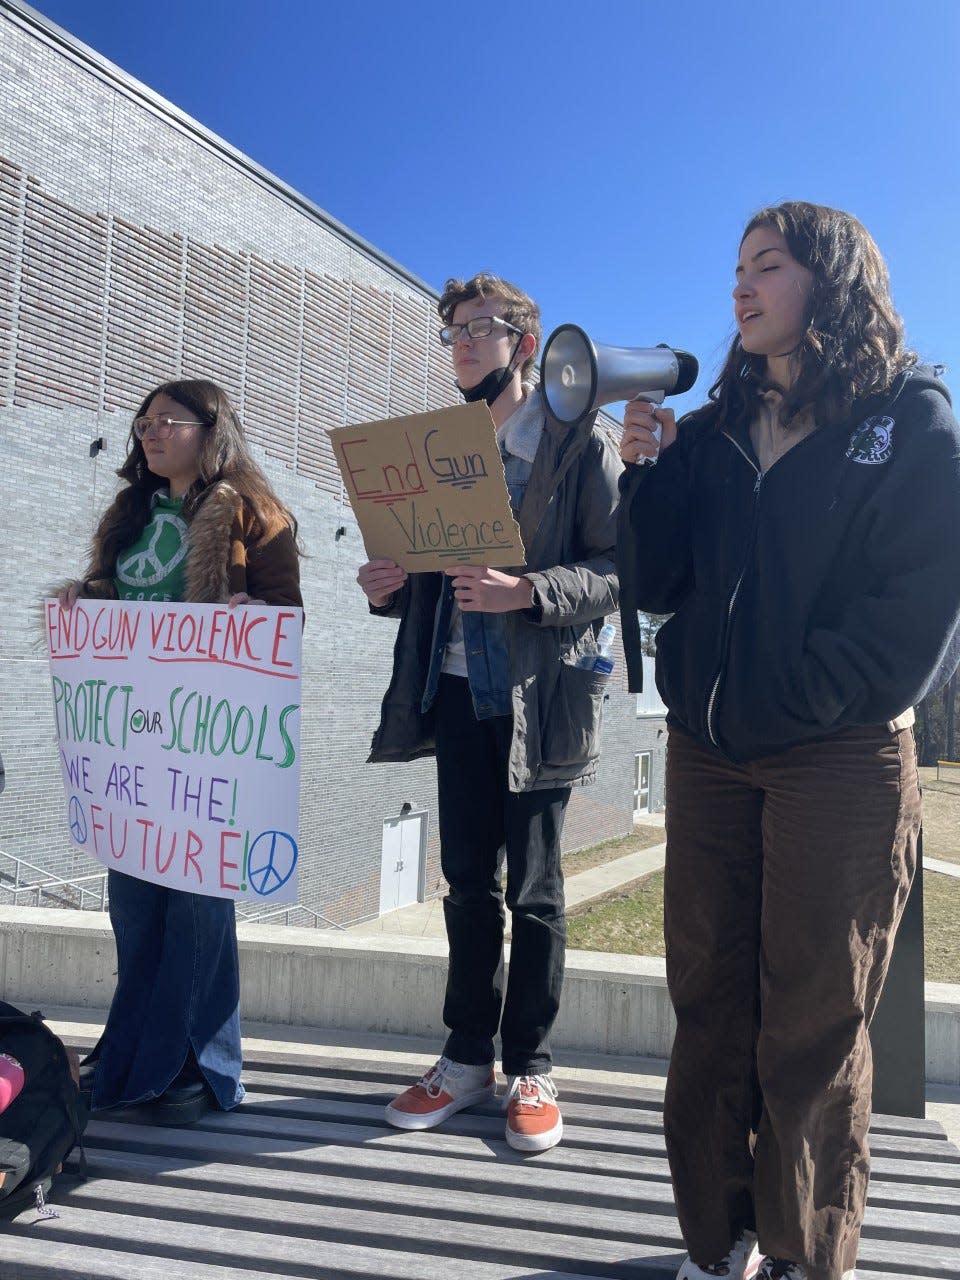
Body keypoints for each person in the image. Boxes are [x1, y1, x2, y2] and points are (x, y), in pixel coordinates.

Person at [617, 201, 960, 1280]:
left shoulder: (912, 417)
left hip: (838, 754)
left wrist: (798, 693)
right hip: (710, 755)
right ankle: (718, 1244)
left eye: (767, 264)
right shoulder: (713, 428)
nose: (741, 284)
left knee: (813, 1014)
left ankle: (811, 1253)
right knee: (708, 1000)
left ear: (833, 279)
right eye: (735, 267)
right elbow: (654, 580)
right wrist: (646, 478)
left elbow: (915, 609)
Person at [358, 274, 621, 1152]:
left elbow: (619, 572)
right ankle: (467, 1059)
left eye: (480, 328)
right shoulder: (439, 449)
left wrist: (528, 592)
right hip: (457, 695)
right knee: (468, 884)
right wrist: (389, 587)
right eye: (454, 333)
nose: (463, 344)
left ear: (524, 340)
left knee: (537, 891)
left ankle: (533, 1066)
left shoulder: (577, 443)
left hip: (538, 699)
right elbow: (429, 580)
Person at [56, 378, 302, 1125]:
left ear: (211, 428)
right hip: (133, 746)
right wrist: (80, 601)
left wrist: (255, 614)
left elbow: (287, 622)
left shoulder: (252, 512)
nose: (151, 432)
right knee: (132, 904)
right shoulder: (131, 510)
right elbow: (112, 595)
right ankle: (130, 1052)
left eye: (169, 421)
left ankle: (203, 1065)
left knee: (198, 905)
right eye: (144, 422)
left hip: (206, 747)